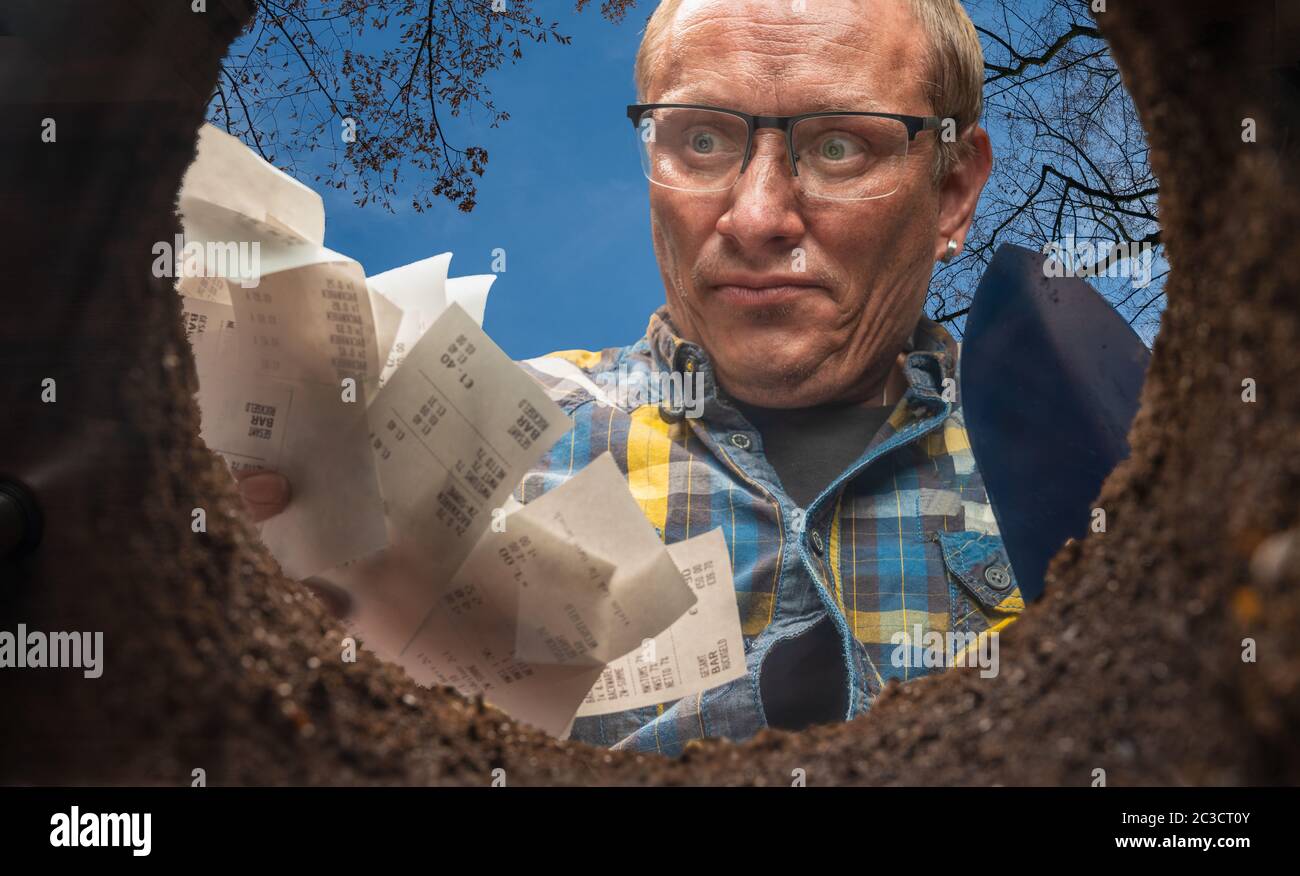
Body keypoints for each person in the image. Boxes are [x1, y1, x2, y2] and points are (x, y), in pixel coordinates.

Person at [236, 0, 1023, 755]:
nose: (755, 217)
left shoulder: (1078, 471)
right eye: (705, 142)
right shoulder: (467, 451)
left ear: (952, 193)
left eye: (839, 147)